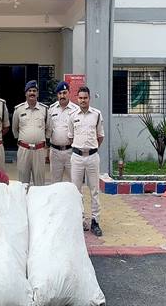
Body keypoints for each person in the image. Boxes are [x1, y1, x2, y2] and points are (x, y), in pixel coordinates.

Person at [68, 86, 104, 237]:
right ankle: (80, 220)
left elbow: (100, 136)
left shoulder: (96, 114)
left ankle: (95, 221)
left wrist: (91, 149)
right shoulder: (72, 115)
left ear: (89, 98)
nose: (83, 100)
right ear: (77, 99)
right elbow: (70, 136)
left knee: (94, 190)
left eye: (85, 98)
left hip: (92, 157)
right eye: (80, 98)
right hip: (77, 157)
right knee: (76, 190)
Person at [12, 80, 49, 186]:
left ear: (37, 93)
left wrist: (43, 141)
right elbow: (15, 129)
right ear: (25, 93)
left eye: (34, 91)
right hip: (24, 150)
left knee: (39, 183)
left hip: (39, 150)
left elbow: (49, 129)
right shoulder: (18, 110)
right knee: (23, 184)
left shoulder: (44, 110)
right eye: (29, 91)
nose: (32, 93)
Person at [47, 81, 78, 182]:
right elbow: (48, 129)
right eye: (60, 93)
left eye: (64, 93)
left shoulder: (75, 110)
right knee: (55, 182)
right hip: (55, 152)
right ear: (57, 95)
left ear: (69, 93)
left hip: (71, 151)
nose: (62, 96)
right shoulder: (51, 109)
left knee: (74, 181)